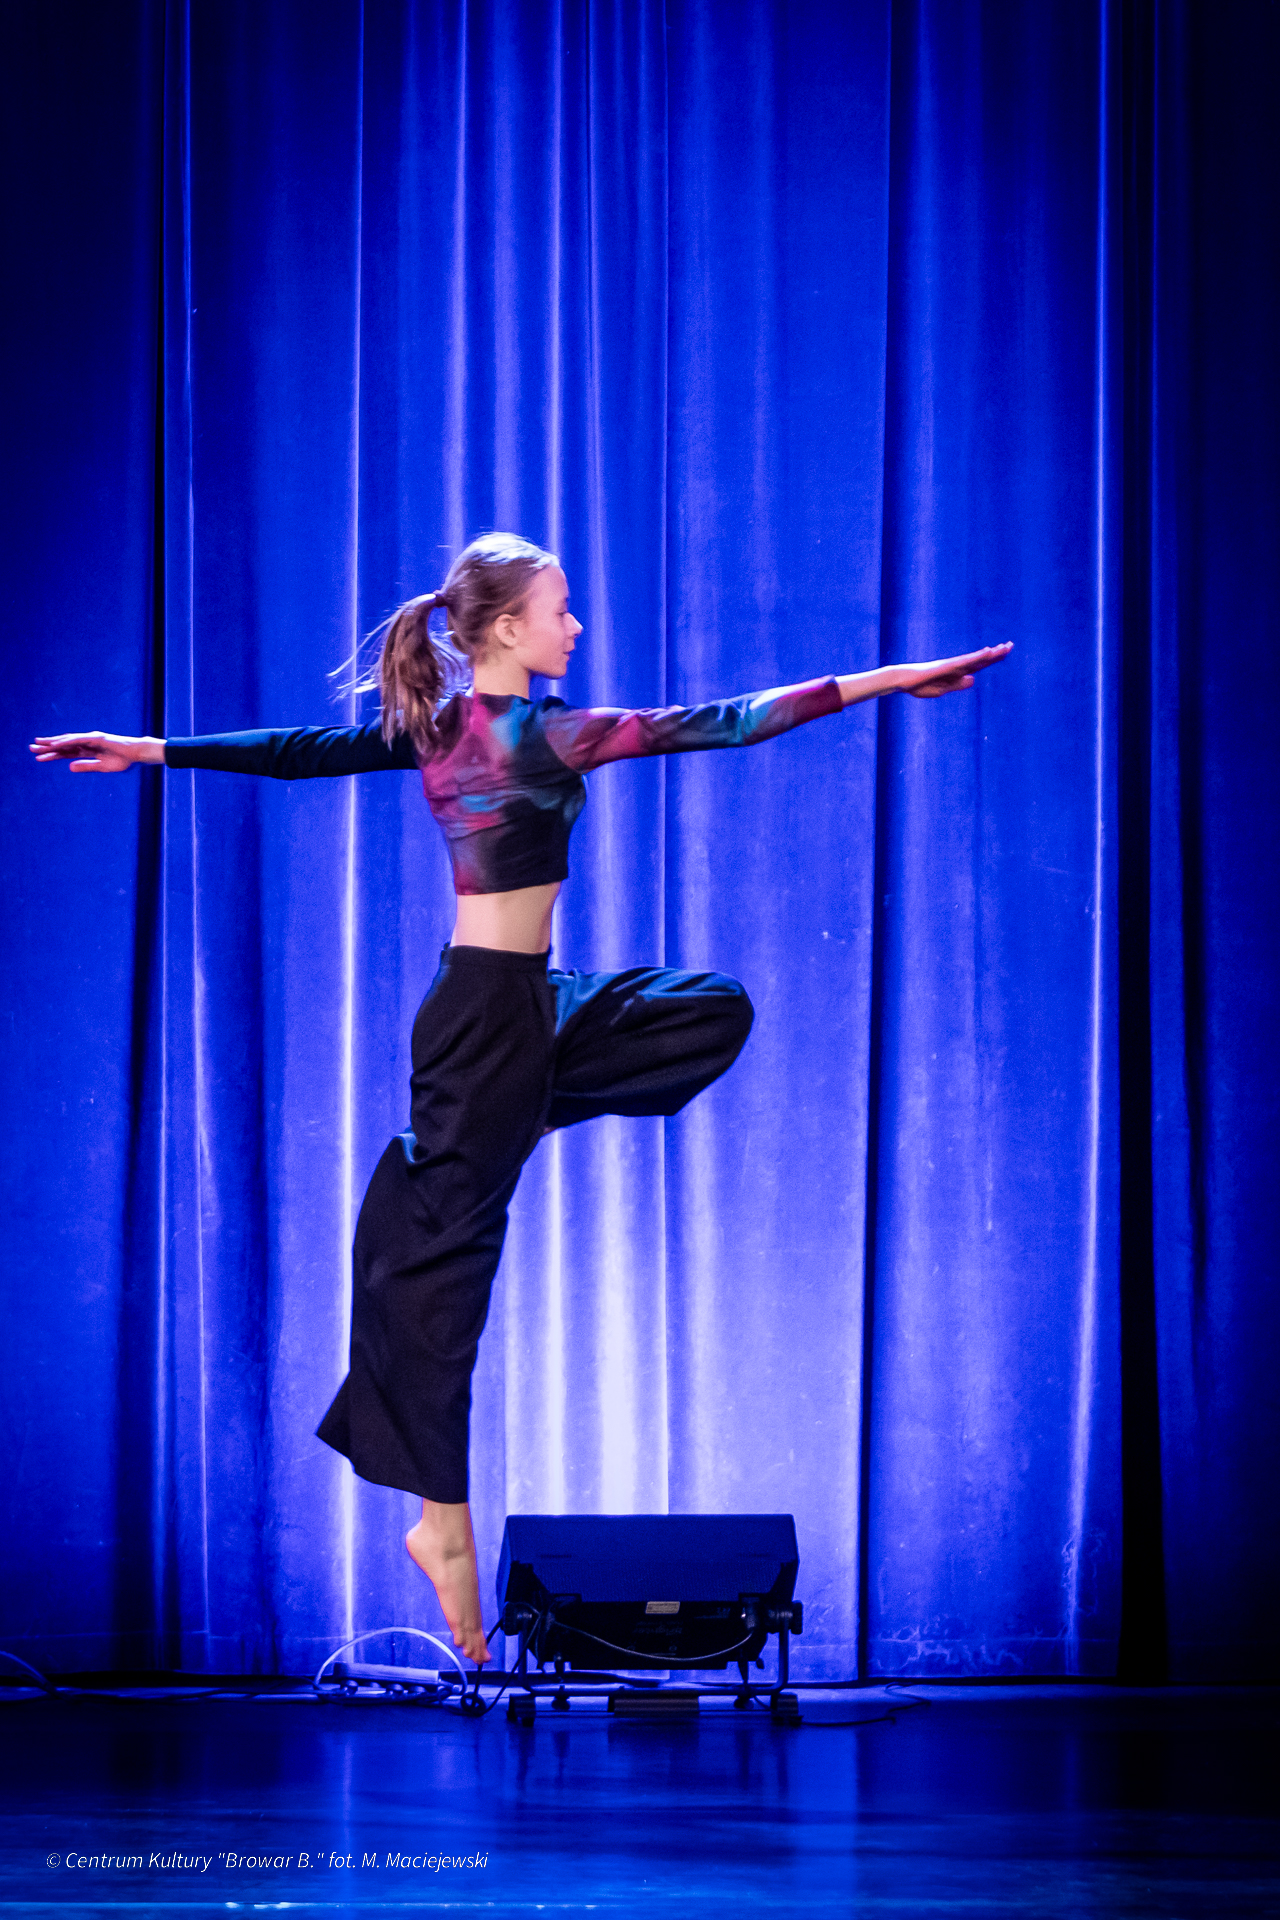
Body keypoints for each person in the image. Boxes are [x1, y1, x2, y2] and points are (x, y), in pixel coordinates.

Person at [32, 531, 1011, 1665]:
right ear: (504, 628)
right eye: (559, 610)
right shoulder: (531, 734)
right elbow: (726, 721)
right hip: (483, 1021)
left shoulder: (455, 730)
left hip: (522, 1008)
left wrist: (149, 748)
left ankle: (513, 1116)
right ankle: (440, 1522)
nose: (575, 626)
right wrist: (890, 677)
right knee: (443, 1277)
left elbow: (301, 751)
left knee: (709, 1007)